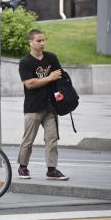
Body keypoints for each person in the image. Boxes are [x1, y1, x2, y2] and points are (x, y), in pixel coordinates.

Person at [17, 29, 69, 181]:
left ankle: (51, 169)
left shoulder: (51, 57)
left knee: (52, 138)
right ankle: (23, 167)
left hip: (50, 106)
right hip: (33, 107)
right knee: (28, 139)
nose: (42, 43)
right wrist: (50, 77)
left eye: (43, 40)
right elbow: (30, 84)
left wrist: (59, 92)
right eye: (38, 41)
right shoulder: (25, 62)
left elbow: (59, 76)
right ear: (30, 42)